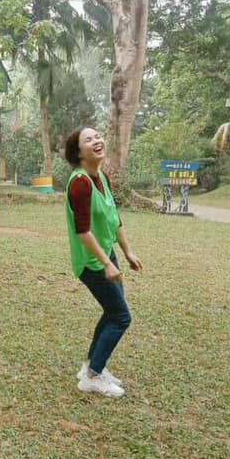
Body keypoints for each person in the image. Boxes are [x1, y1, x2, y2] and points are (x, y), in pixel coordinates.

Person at [64, 127, 143, 398]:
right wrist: (106, 264)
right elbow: (82, 231)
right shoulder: (80, 184)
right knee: (121, 317)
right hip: (91, 261)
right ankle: (92, 377)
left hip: (106, 253)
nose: (97, 140)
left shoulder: (101, 177)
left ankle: (91, 366)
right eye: (88, 139)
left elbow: (114, 217)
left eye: (97, 136)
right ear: (78, 152)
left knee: (112, 312)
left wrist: (127, 252)